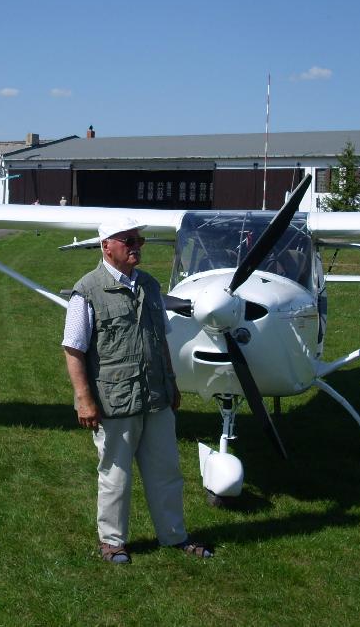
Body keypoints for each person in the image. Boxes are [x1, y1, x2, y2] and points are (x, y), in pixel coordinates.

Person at [62, 217, 213, 564]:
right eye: (128, 240)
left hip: (156, 396)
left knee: (167, 472)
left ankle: (174, 536)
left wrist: (172, 383)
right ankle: (112, 543)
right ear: (106, 246)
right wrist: (84, 400)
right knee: (116, 476)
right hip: (114, 401)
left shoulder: (149, 285)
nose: (136, 246)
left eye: (139, 240)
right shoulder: (86, 291)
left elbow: (161, 341)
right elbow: (73, 350)